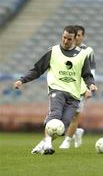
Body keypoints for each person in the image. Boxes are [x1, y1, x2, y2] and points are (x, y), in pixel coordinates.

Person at [14, 25, 97, 155]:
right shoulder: (53, 51)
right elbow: (37, 70)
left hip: (74, 95)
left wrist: (91, 84)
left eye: (69, 39)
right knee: (55, 115)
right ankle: (48, 145)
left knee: (62, 127)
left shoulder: (82, 55)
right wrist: (22, 80)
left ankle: (42, 144)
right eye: (64, 37)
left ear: (75, 39)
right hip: (56, 90)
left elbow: (87, 75)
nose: (65, 41)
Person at [59, 25, 96, 149]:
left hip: (80, 89)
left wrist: (88, 88)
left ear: (83, 36)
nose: (77, 38)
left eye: (79, 35)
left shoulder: (88, 51)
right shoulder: (66, 50)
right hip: (66, 87)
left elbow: (91, 71)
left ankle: (67, 140)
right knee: (63, 115)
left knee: (74, 115)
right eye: (76, 36)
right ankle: (77, 131)